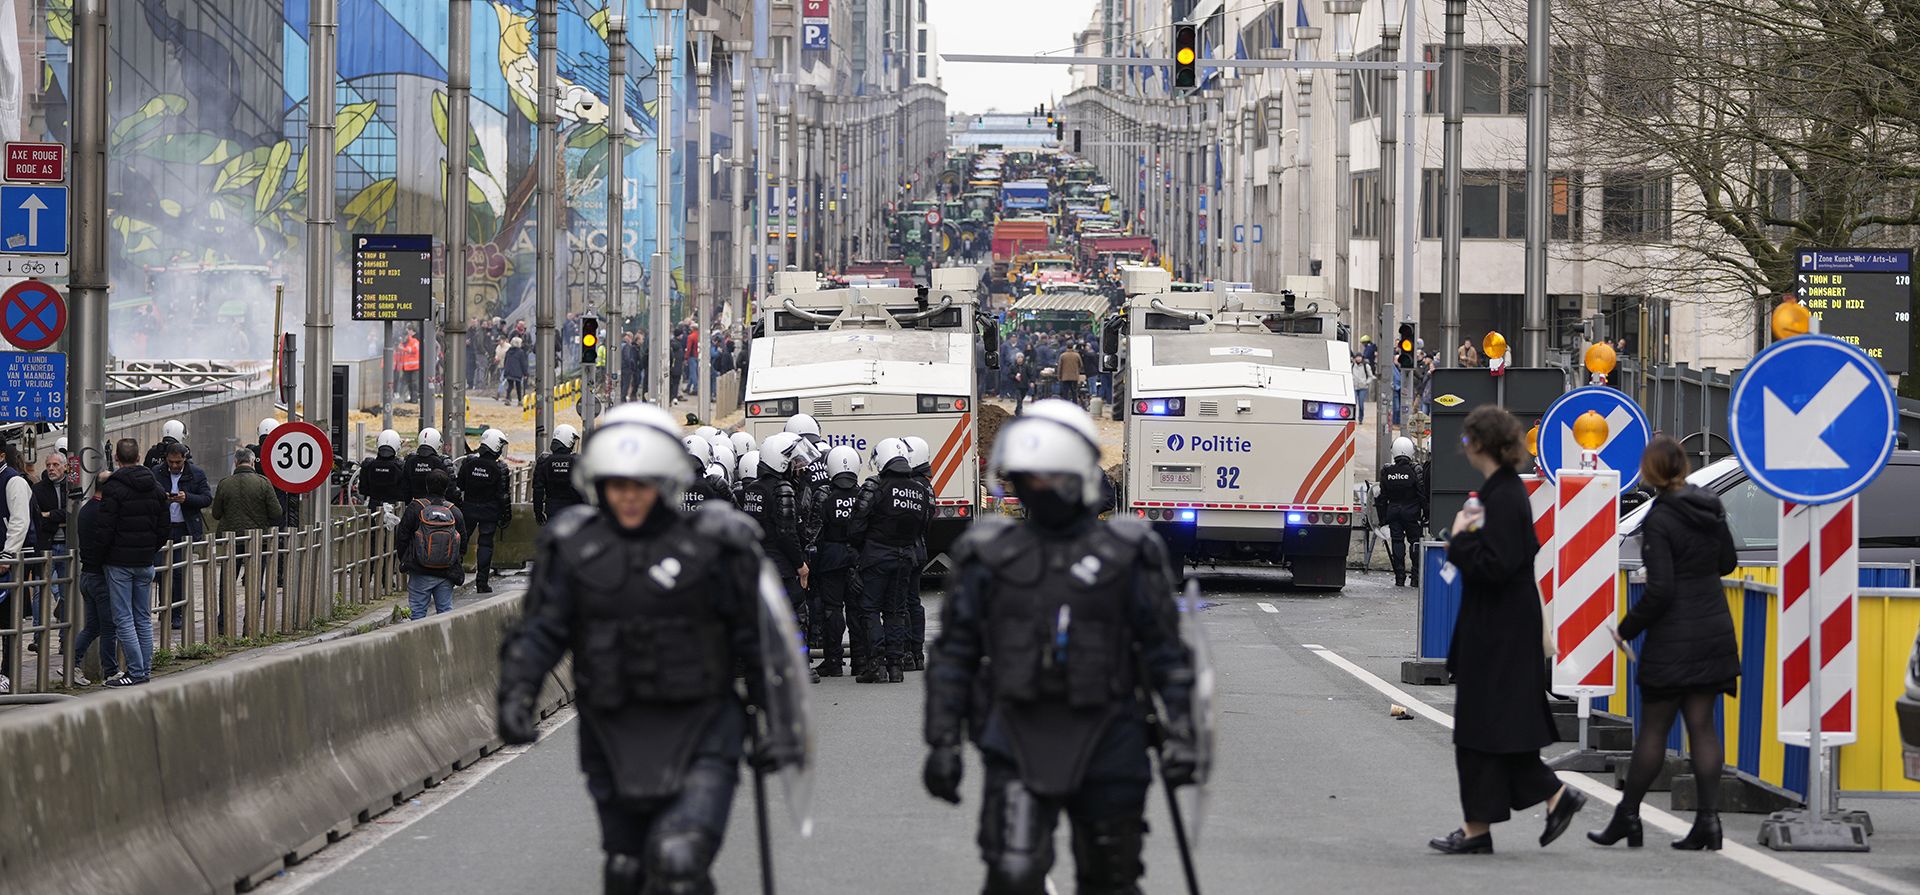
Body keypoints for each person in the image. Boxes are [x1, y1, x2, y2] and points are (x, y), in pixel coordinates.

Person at [495, 405, 798, 895]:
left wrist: (780, 723)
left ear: (666, 482)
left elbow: (758, 643)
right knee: (626, 872)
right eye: (618, 484)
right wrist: (516, 693)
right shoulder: (574, 548)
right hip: (613, 731)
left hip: (702, 728)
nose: (629, 497)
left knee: (678, 861)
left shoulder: (714, 546)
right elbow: (542, 630)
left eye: (641, 484)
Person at [921, 400, 1199, 893]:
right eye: (1030, 476)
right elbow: (955, 655)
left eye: (1051, 475)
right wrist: (943, 740)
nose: (1039, 487)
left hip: (1111, 734)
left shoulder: (1128, 553)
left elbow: (1166, 653)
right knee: (1013, 873)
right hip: (1017, 733)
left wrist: (1183, 729)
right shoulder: (988, 554)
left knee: (1111, 878)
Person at [1430, 405, 1586, 854]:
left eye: (1465, 440)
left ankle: (1487, 826)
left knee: (1482, 727)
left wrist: (1458, 542)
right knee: (1494, 727)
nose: (1463, 447)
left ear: (1480, 444)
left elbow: (1496, 566)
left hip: (1498, 629)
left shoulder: (1501, 496)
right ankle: (1539, 803)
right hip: (1504, 625)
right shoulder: (1503, 492)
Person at [1590, 435, 1738, 851]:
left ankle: (1628, 817)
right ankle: (1709, 824)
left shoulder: (1659, 518)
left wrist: (1626, 628)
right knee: (1703, 728)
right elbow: (1728, 562)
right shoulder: (1711, 508)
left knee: (1654, 729)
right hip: (1713, 629)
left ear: (1652, 472)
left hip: (1674, 638)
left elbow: (1660, 591)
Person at [847, 438, 930, 684]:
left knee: (870, 609)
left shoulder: (875, 485)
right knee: (896, 611)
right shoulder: (919, 489)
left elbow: (856, 525)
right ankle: (896, 667)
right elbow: (923, 527)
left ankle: (876, 664)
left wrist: (860, 548)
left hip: (876, 556)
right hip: (905, 557)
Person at [99, 439, 171, 688]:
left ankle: (137, 671)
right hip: (145, 560)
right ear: (139, 456)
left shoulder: (113, 488)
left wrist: (103, 555)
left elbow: (105, 528)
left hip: (118, 562)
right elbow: (164, 527)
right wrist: (151, 548)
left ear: (117, 458)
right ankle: (145, 668)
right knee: (142, 616)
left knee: (123, 618)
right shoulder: (156, 487)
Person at [741, 434, 810, 645]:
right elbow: (786, 532)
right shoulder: (782, 489)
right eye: (792, 462)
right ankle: (798, 665)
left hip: (758, 563)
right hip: (783, 567)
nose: (797, 467)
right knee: (795, 616)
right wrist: (800, 565)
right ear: (780, 461)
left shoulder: (752, 489)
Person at [211, 449, 285, 628]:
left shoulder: (225, 483)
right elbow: (276, 512)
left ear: (235, 463)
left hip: (231, 540)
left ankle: (223, 624)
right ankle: (249, 624)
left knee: (227, 583)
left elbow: (216, 513)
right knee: (254, 582)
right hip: (257, 541)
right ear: (253, 463)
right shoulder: (264, 483)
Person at [811, 446, 864, 678]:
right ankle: (860, 661)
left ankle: (833, 661)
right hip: (857, 559)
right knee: (857, 610)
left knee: (832, 610)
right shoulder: (863, 494)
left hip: (830, 558)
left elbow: (814, 531)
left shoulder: (823, 495)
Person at [153, 442, 212, 631]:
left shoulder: (196, 473)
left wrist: (187, 499)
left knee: (178, 571)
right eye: (171, 462)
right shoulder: (157, 472)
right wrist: (164, 498)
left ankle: (177, 612)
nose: (174, 466)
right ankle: (165, 608)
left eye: (178, 462)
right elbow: (149, 496)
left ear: (184, 459)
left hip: (184, 528)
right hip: (163, 528)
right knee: (161, 571)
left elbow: (206, 498)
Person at [68, 472, 118, 687]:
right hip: (100, 576)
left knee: (92, 627)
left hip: (86, 575)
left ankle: (71, 664)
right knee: (109, 627)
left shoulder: (86, 509)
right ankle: (111, 671)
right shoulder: (103, 511)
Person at [396, 470, 466, 619]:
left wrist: (407, 561)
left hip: (419, 571)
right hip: (446, 572)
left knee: (418, 613)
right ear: (446, 488)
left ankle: (417, 642)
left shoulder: (415, 507)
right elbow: (463, 543)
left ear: (426, 486)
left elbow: (402, 537)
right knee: (445, 613)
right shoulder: (454, 511)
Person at [455, 429, 512, 593]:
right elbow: (503, 495)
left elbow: (460, 486)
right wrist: (506, 516)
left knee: (460, 543)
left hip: (469, 509)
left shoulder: (468, 463)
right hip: (489, 511)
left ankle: (453, 575)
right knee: (485, 545)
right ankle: (482, 583)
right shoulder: (499, 468)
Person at [29, 452, 71, 656]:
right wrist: (58, 517)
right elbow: (37, 517)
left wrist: (50, 515)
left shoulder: (71, 486)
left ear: (64, 466)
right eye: (48, 465)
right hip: (45, 545)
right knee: (40, 592)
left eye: (55, 465)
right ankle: (39, 637)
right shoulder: (37, 489)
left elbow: (73, 513)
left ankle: (64, 639)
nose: (51, 468)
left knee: (65, 594)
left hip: (67, 545)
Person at [902, 435, 935, 671]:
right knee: (914, 601)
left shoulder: (911, 486)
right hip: (920, 547)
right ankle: (917, 652)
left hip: (907, 548)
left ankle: (908, 651)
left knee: (902, 601)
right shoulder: (925, 485)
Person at [0, 445, 31, 690]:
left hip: (5, 562)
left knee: (8, 622)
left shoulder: (13, 481)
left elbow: (19, 520)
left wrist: (8, 554)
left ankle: (7, 674)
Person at [1378, 436, 1426, 588]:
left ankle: (1399, 577)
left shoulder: (1387, 471)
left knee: (1397, 543)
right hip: (1412, 512)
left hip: (1393, 512)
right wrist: (1427, 513)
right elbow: (1421, 494)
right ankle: (1416, 577)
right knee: (1415, 542)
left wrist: (1382, 519)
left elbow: (1382, 497)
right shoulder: (1415, 470)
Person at [532, 424, 585, 525]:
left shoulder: (544, 461)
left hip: (552, 511)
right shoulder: (577, 461)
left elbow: (537, 490)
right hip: (574, 512)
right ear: (568, 440)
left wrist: (538, 513)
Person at [406, 428, 457, 502]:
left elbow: (405, 489)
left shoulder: (410, 461)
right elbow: (451, 490)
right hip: (438, 506)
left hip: (415, 505)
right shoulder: (442, 462)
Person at [503, 336, 529, 405]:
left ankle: (507, 398)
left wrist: (505, 369)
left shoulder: (508, 351)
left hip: (509, 371)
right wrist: (525, 373)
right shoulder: (520, 352)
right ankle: (520, 401)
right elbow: (523, 363)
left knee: (510, 385)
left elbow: (505, 361)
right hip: (517, 371)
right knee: (518, 386)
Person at [1057, 341, 1084, 406]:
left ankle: (1065, 406)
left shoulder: (1063, 355)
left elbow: (1059, 367)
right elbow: (1081, 365)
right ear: (1073, 346)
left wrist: (1059, 376)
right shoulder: (1076, 355)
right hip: (1074, 377)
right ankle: (1074, 405)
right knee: (1074, 392)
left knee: (1065, 393)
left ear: (1066, 346)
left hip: (1065, 377)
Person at [620, 331, 643, 402]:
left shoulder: (620, 344)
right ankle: (623, 399)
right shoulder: (627, 346)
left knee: (622, 383)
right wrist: (631, 366)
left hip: (621, 367)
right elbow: (628, 358)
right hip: (626, 368)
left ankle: (622, 397)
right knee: (626, 384)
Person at [1352, 353, 1373, 423]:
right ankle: (1352, 418)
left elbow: (1370, 376)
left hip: (1363, 388)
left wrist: (1366, 382)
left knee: (1361, 404)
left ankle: (1360, 418)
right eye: (1357, 357)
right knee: (1353, 404)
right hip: (1354, 387)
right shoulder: (1352, 366)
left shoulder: (1366, 366)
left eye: (1359, 357)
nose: (1358, 358)